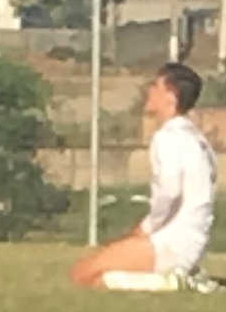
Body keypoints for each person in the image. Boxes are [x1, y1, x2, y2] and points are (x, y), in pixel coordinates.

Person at [72, 62, 217, 290]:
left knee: (83, 274)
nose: (149, 91)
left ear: (171, 96)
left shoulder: (169, 137)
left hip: (171, 241)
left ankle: (171, 281)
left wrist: (148, 227)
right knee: (99, 274)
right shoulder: (197, 139)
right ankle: (178, 276)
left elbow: (170, 190)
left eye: (156, 86)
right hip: (191, 240)